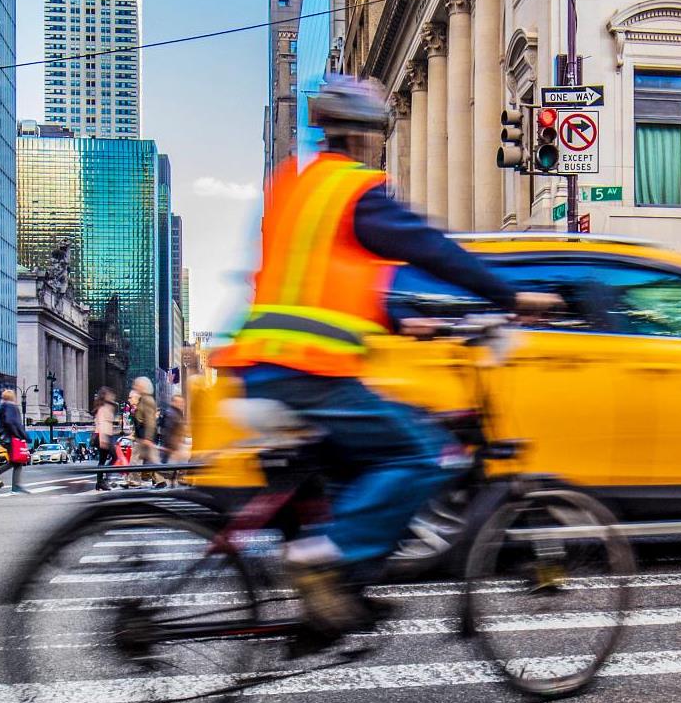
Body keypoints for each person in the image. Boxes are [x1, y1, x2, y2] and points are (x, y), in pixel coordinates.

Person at [212, 74, 556, 649]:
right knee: (421, 453)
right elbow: (432, 248)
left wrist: (408, 320)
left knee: (353, 468)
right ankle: (326, 560)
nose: (379, 146)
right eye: (378, 135)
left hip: (262, 367)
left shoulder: (297, 186)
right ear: (363, 135)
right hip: (309, 370)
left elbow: (323, 280)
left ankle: (336, 601)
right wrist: (509, 296)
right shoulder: (357, 190)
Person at [0, 388, 30, 494]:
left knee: (16, 462)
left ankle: (16, 487)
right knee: (15, 462)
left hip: (6, 438)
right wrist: (22, 435)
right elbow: (12, 422)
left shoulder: (2, 407)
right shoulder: (11, 406)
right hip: (11, 438)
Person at [91, 387, 118, 491]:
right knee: (114, 457)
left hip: (107, 435)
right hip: (103, 436)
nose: (112, 396)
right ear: (105, 396)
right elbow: (101, 423)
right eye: (110, 394)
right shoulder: (103, 408)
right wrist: (103, 439)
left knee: (102, 460)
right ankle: (105, 479)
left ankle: (100, 482)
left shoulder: (108, 407)